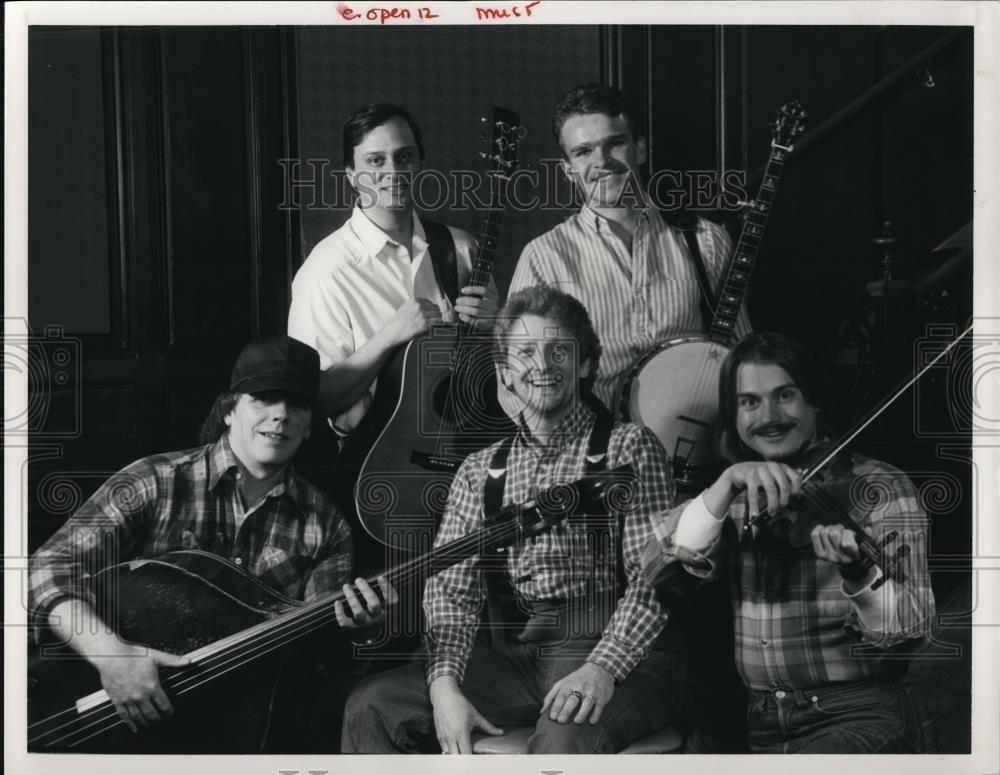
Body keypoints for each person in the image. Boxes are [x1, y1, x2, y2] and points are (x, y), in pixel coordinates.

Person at [341, 285, 685, 754]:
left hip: (620, 648)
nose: (541, 366)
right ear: (504, 372)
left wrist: (602, 669)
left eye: (558, 350)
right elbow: (451, 597)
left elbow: (653, 581)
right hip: (519, 658)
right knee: (371, 704)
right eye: (525, 353)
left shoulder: (630, 447)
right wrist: (445, 688)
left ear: (584, 364)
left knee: (562, 738)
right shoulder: (478, 470)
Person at [27, 336, 395, 742]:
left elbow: (316, 658)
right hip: (95, 708)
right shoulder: (154, 481)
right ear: (228, 410)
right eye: (264, 399)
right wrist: (113, 657)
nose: (281, 415)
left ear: (310, 426)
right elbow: (49, 566)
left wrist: (361, 630)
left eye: (298, 404)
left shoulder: (326, 526)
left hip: (232, 731)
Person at [641, 331, 935, 753]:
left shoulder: (880, 487)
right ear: (735, 419)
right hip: (761, 723)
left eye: (786, 395)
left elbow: (912, 625)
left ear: (814, 401)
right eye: (749, 402)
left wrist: (860, 573)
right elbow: (656, 569)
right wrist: (725, 484)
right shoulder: (737, 495)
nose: (769, 416)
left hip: (859, 715)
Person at [509, 83, 751, 413]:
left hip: (700, 447)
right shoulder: (543, 257)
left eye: (615, 143)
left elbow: (745, 355)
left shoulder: (706, 239)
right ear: (568, 170)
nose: (602, 161)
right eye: (583, 152)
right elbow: (512, 381)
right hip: (595, 453)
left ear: (639, 149)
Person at [288, 102, 499, 434]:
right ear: (352, 176)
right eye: (376, 161)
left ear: (420, 164)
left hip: (463, 447)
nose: (394, 173)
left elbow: (499, 372)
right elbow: (312, 402)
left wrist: (499, 328)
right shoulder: (326, 270)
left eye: (404, 157)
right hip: (375, 459)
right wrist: (388, 337)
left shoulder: (462, 248)